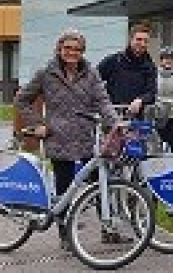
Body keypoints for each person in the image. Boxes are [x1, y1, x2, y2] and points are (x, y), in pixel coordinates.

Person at [15, 29, 118, 246]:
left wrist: (115, 124)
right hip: (58, 138)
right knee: (64, 190)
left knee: (99, 185)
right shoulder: (46, 73)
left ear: (82, 51)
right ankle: (65, 235)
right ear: (59, 49)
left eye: (77, 49)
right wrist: (39, 124)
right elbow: (22, 101)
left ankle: (109, 229)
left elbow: (103, 101)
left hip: (85, 137)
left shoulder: (91, 73)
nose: (72, 53)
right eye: (67, 48)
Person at [96, 23, 157, 118]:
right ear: (130, 39)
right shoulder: (113, 61)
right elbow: (94, 81)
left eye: (146, 41)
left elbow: (151, 92)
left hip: (136, 119)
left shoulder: (150, 67)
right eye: (139, 39)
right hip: (111, 116)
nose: (142, 44)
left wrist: (140, 100)